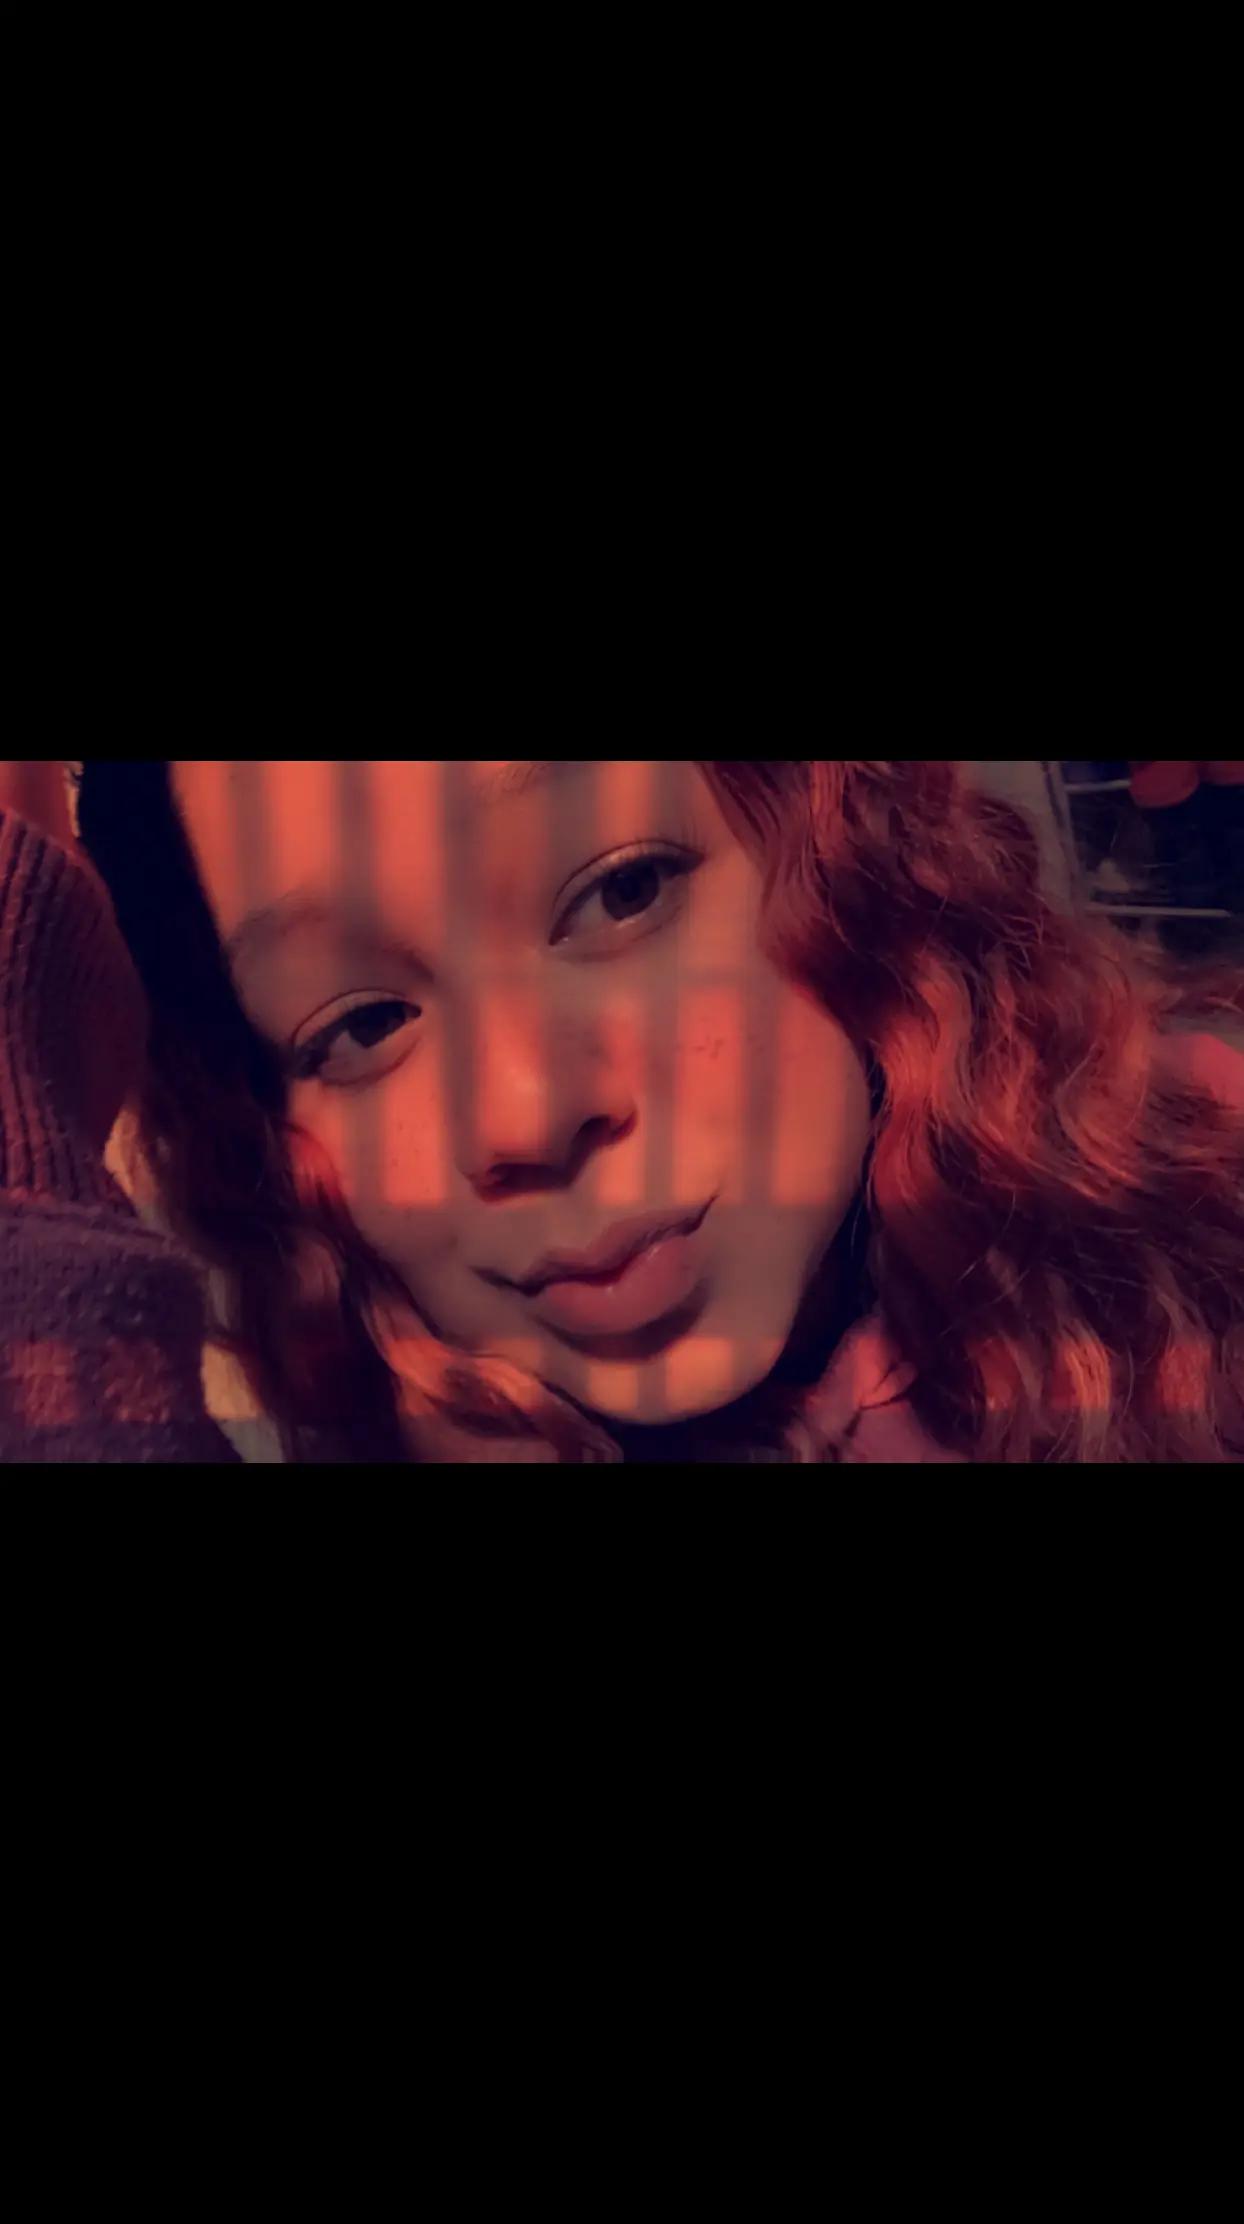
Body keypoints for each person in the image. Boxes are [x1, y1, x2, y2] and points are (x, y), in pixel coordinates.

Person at [3, 759, 1244, 1465]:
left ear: (833, 855)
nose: (526, 1112)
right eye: (364, 1025)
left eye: (622, 892)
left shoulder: (1202, 1181)